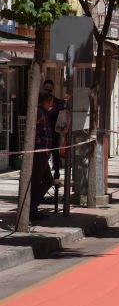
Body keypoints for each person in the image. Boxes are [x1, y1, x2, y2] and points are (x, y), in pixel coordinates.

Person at [30, 87, 57, 220]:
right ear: (46, 102)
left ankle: (33, 206)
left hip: (44, 153)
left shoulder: (44, 113)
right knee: (37, 181)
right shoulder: (39, 113)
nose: (51, 105)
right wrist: (38, 144)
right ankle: (31, 209)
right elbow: (32, 130)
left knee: (48, 180)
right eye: (50, 102)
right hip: (39, 153)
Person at [40, 79, 67, 180]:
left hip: (53, 132)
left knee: (55, 153)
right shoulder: (38, 102)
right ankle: (44, 173)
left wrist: (64, 102)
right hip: (42, 134)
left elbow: (63, 109)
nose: (47, 91)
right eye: (46, 89)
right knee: (42, 155)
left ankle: (56, 174)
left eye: (50, 89)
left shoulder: (56, 102)